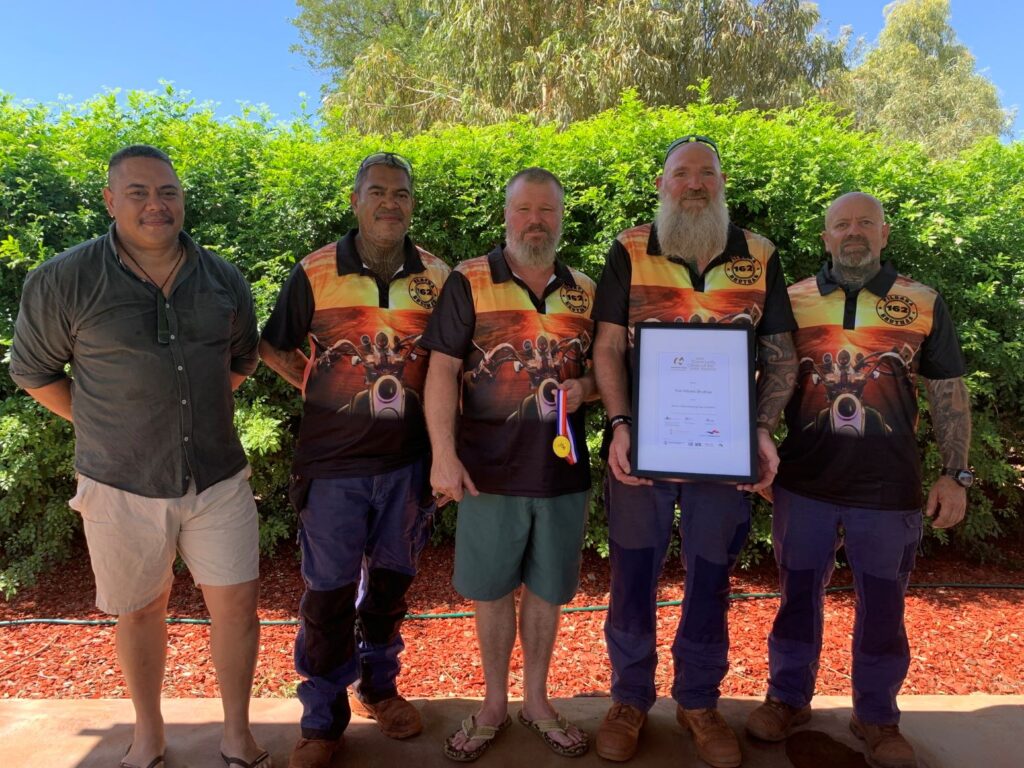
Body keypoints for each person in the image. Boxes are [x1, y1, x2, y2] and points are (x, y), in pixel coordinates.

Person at [9, 145, 268, 768]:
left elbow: (241, 359)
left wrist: (192, 413)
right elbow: (33, 372)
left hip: (217, 477)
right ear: (109, 200)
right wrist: (107, 423)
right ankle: (148, 733)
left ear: (182, 198)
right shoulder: (63, 279)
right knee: (141, 611)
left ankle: (238, 734)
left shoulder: (223, 277)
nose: (157, 204)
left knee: (237, 607)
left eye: (168, 192)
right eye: (138, 192)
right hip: (118, 482)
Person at [591, 135, 798, 768]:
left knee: (711, 576)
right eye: (681, 174)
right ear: (662, 185)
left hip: (722, 455)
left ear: (721, 183)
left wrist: (761, 429)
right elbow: (607, 346)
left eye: (706, 173)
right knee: (632, 576)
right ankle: (629, 699)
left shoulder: (759, 254)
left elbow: (781, 355)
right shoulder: (630, 249)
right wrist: (620, 423)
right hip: (643, 451)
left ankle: (699, 702)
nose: (694, 184)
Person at [745, 192, 972, 768]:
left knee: (884, 608)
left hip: (888, 489)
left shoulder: (921, 301)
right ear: (825, 237)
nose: (853, 232)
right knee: (797, 597)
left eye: (865, 223)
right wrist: (758, 444)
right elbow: (774, 378)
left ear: (884, 234)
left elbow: (948, 390)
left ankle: (875, 715)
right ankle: (788, 698)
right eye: (841, 224)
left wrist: (955, 474)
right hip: (804, 482)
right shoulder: (793, 299)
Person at [259, 152, 450, 768]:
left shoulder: (438, 277)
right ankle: (322, 718)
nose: (390, 203)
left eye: (401, 193)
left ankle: (379, 688)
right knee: (329, 595)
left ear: (412, 203)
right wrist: (322, 389)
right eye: (377, 192)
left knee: (389, 589)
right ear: (356, 200)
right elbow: (273, 345)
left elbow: (450, 366)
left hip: (408, 465)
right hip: (332, 466)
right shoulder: (316, 271)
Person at [421, 167, 597, 762]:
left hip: (562, 472)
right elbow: (442, 369)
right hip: (487, 474)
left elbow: (607, 369)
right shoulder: (469, 280)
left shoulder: (585, 290)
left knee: (547, 592)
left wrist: (588, 389)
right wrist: (443, 454)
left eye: (547, 210)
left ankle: (537, 702)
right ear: (506, 216)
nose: (535, 221)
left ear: (561, 218)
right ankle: (494, 703)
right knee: (492, 592)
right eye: (524, 210)